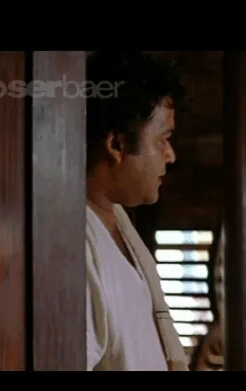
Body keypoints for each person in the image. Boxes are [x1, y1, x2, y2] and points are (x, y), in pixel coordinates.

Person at [85, 50, 189, 371]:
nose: (170, 155)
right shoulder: (77, 245)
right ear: (116, 145)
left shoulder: (117, 224)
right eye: (162, 139)